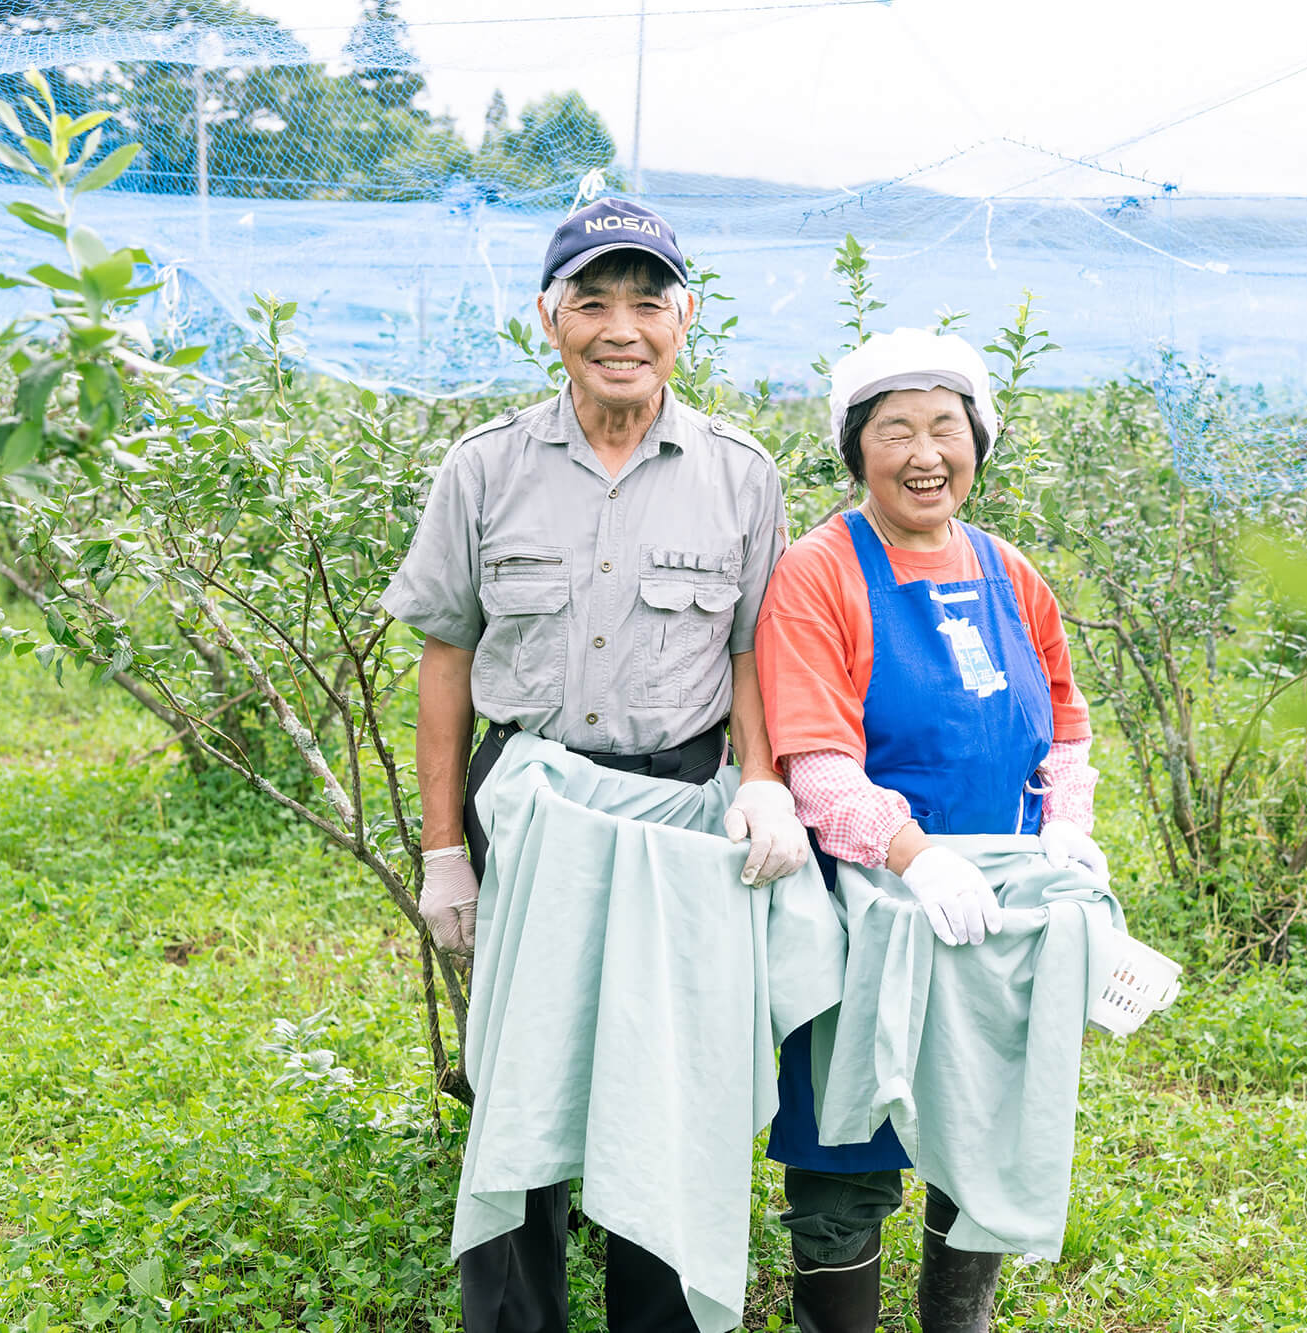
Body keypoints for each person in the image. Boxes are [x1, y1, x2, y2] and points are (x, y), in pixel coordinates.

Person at [381, 197, 811, 1333]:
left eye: (646, 301)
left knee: (661, 1086)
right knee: (523, 1078)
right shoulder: (484, 467)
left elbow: (752, 652)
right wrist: (441, 852)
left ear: (686, 318)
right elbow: (446, 656)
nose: (619, 326)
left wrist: (762, 782)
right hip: (527, 807)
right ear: (547, 316)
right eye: (591, 300)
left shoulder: (738, 473)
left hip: (680, 814)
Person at [753, 328, 1108, 1333]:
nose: (923, 454)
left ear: (977, 441)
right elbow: (815, 765)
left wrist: (1067, 826)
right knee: (843, 1148)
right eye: (894, 429)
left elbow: (1064, 719)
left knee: (981, 1129)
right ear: (855, 447)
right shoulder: (819, 573)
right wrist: (914, 856)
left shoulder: (1008, 571)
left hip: (995, 913)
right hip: (866, 910)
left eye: (944, 428)